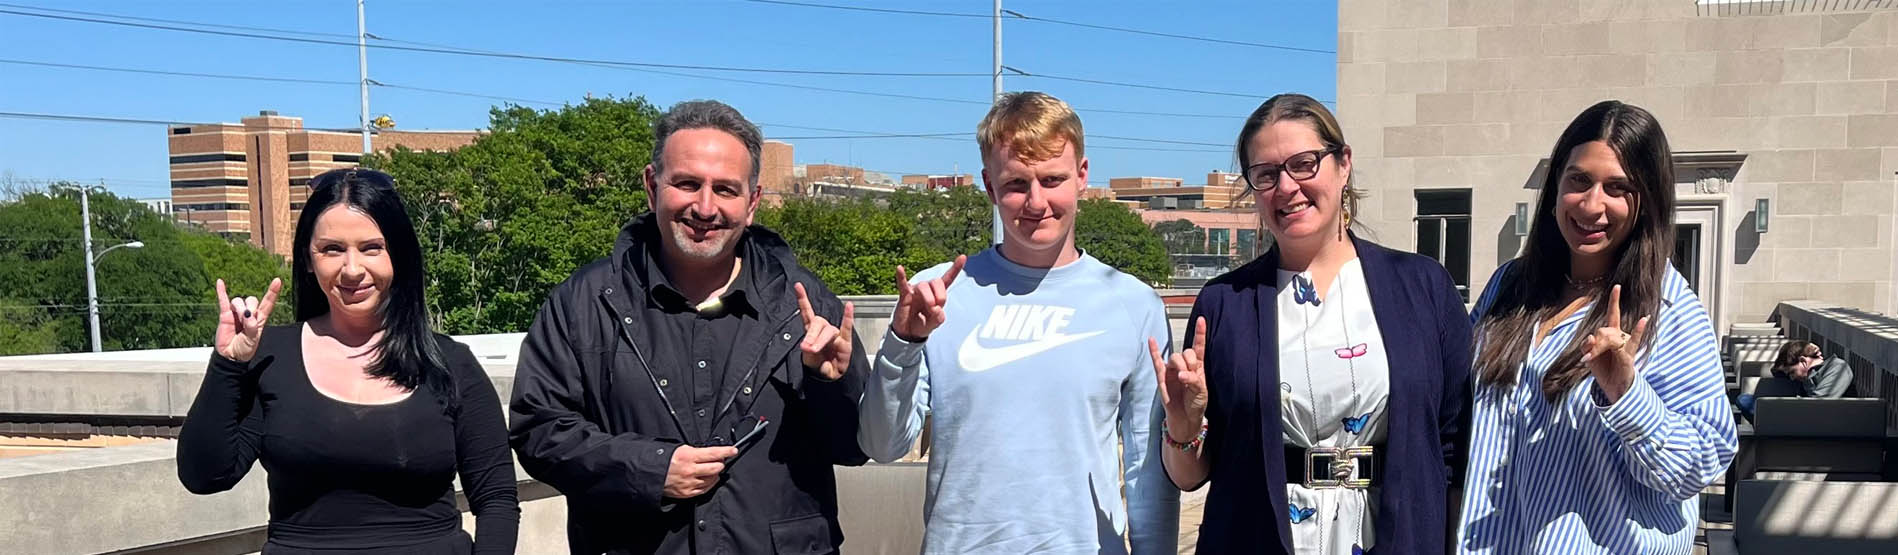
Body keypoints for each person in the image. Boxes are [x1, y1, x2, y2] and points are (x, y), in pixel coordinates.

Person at [508, 100, 868, 555]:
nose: (705, 206)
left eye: (726, 189)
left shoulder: (804, 304)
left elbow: (855, 446)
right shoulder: (585, 302)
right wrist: (651, 468)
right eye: (687, 184)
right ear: (651, 186)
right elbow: (538, 430)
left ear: (752, 202)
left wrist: (830, 385)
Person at [857, 91, 1179, 554]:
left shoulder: (1134, 304)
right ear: (990, 187)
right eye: (1016, 184)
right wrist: (901, 342)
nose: (1036, 201)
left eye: (1052, 179)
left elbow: (1147, 474)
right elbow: (882, 445)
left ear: (1082, 176)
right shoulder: (936, 295)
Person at [1150, 93, 1472, 554]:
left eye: (1304, 164)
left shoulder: (1422, 287)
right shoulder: (1224, 305)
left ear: (1343, 165)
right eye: (1266, 174)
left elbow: (1455, 449)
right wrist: (1184, 429)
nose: (1286, 187)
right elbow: (1189, 476)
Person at [178, 168, 519, 554]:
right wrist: (228, 364)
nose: (353, 270)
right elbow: (205, 475)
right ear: (308, 259)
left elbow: (496, 499)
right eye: (332, 249)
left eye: (371, 248)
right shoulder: (270, 356)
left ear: (398, 255)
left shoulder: (450, 363)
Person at [1457, 101, 1737, 553]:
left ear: (1646, 201)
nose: (1592, 205)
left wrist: (1628, 395)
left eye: (1617, 187)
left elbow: (1702, 463)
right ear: (1555, 186)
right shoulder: (1509, 286)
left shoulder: (1667, 309)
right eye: (1579, 180)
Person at [1769, 340, 1853, 398]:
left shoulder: (1837, 367)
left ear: (1803, 361)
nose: (1792, 378)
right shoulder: (1805, 377)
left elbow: (1817, 405)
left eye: (1792, 372)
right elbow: (1777, 373)